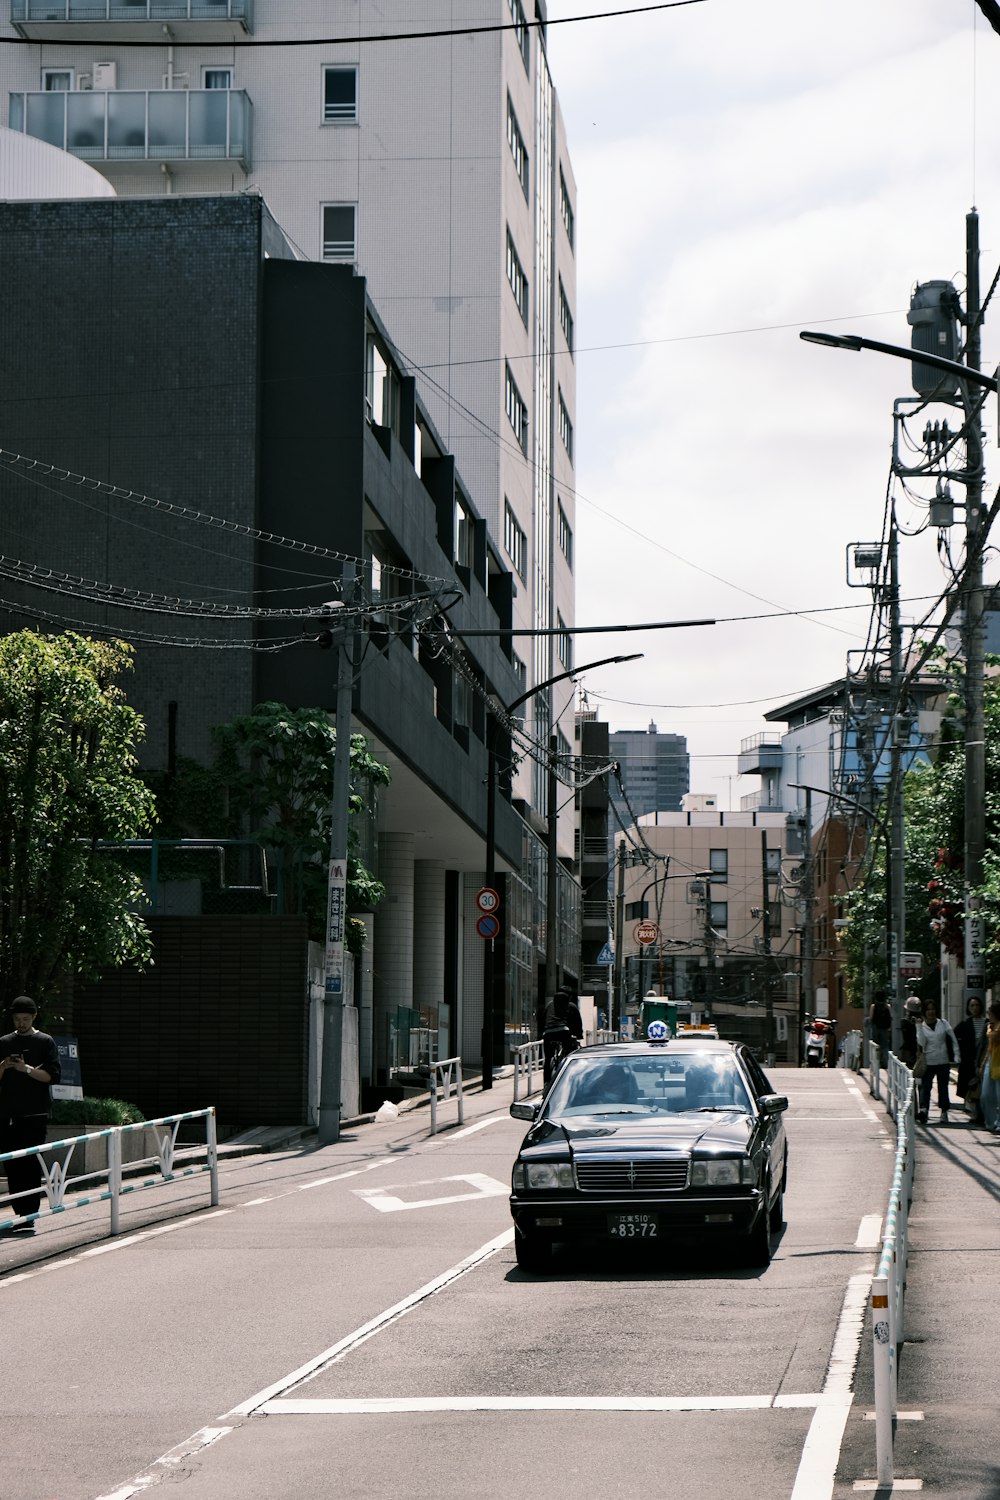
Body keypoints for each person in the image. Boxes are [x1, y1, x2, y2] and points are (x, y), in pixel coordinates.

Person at [0, 996, 61, 1234]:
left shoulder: (45, 1042)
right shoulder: (4, 1042)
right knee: (12, 1163)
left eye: (25, 1019)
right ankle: (20, 1214)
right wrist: (4, 1066)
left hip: (35, 1112)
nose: (21, 1023)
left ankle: (30, 1213)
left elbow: (51, 1077)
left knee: (30, 1161)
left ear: (34, 1017)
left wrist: (25, 1069)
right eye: (17, 1019)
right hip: (7, 1113)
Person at [915, 999, 957, 1125]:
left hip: (943, 1060)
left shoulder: (943, 1023)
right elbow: (921, 1043)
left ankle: (944, 1112)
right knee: (926, 1086)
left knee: (943, 1087)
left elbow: (953, 1038)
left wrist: (957, 1054)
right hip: (929, 1061)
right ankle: (924, 1111)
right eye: (928, 1010)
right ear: (924, 1012)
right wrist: (918, 1027)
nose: (931, 1012)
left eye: (933, 1009)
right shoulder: (922, 1026)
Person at [542, 987, 583, 1085]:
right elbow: (577, 1022)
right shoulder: (571, 1006)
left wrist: (543, 1032)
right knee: (570, 1053)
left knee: (548, 1058)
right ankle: (568, 1075)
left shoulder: (549, 1005)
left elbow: (543, 1018)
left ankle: (546, 1082)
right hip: (563, 1032)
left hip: (547, 1033)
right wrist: (579, 1035)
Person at [954, 996, 988, 1113]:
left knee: (983, 1087)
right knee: (969, 1086)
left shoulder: (987, 1023)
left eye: (977, 1005)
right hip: (968, 1061)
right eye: (972, 1006)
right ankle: (972, 1111)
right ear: (968, 1008)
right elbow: (953, 1038)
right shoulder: (964, 1024)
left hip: (984, 1060)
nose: (975, 1008)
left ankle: (982, 1112)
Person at [977, 1000, 1000, 1134]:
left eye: (990, 1013)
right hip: (991, 1060)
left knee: (999, 1095)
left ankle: (998, 1123)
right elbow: (989, 1048)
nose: (989, 1016)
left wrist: (990, 1029)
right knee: (985, 1095)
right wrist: (982, 1063)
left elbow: (995, 1037)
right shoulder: (990, 1027)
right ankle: (990, 1122)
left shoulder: (993, 1028)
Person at [868, 990, 893, 1068]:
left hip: (876, 1028)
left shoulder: (873, 1006)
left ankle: (875, 1063)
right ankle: (885, 1063)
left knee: (875, 1045)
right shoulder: (887, 1006)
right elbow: (890, 1018)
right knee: (885, 1046)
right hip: (885, 1028)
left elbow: (871, 1018)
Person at [899, 996, 922, 1069]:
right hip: (919, 1050)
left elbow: (907, 1038)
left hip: (909, 1051)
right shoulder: (921, 1021)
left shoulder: (905, 1022)